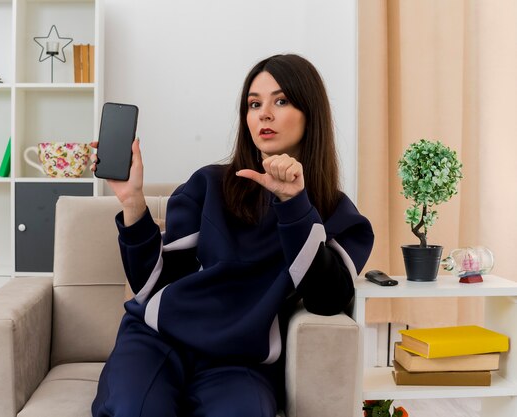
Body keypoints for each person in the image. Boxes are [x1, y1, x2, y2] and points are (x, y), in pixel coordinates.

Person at [90, 53, 374, 417]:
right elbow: (152, 282)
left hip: (241, 362)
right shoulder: (208, 185)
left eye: (281, 101)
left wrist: (293, 204)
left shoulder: (338, 214)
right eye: (254, 104)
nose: (264, 114)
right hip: (159, 341)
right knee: (134, 410)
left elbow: (327, 298)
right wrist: (132, 201)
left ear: (311, 114)